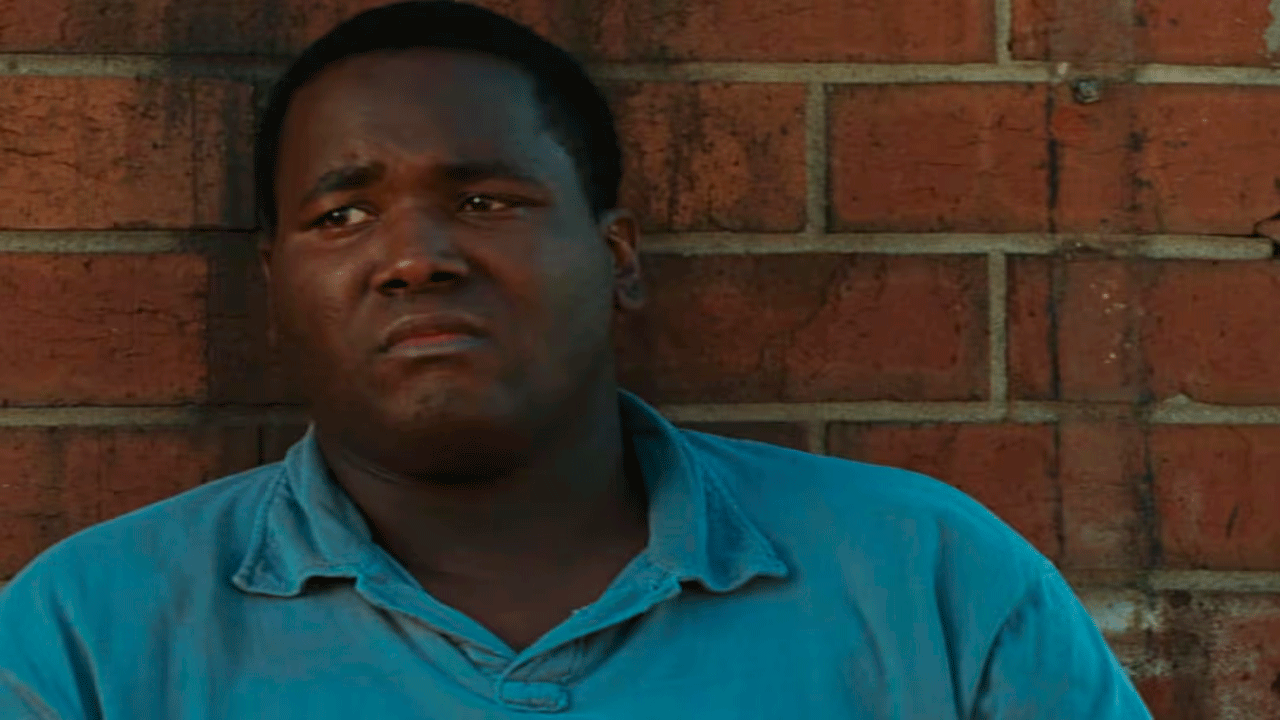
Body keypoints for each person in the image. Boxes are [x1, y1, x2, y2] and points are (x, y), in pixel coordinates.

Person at [0, 2, 1152, 717]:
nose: (415, 258)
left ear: (616, 256)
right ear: (274, 286)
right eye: (341, 216)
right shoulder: (89, 635)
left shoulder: (923, 581)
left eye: (484, 200)